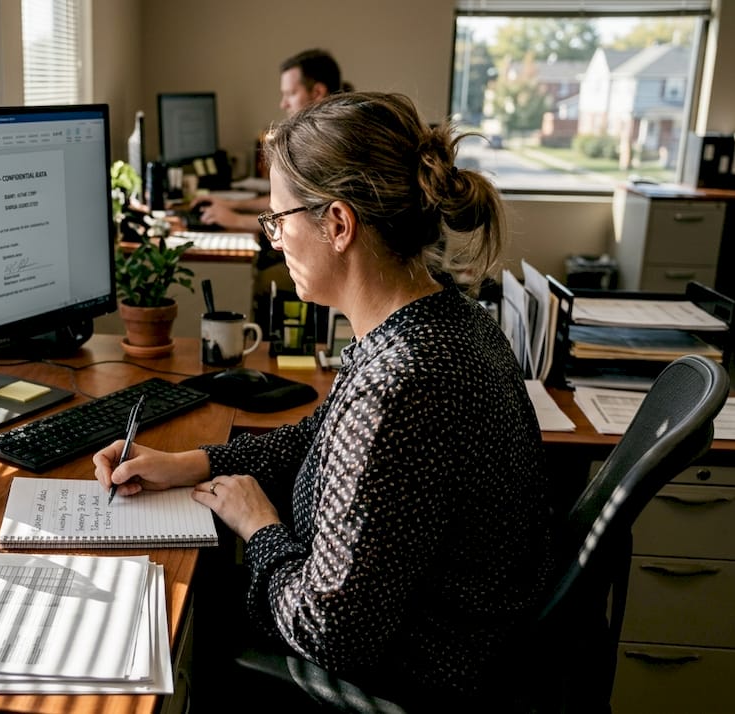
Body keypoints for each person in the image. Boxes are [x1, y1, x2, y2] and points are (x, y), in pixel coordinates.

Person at [94, 92, 552, 711]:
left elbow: (330, 631)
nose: (275, 238)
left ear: (338, 224)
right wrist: (195, 463)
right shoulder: (436, 317)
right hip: (445, 631)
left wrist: (260, 528)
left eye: (278, 219)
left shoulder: (402, 383)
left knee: (153, 622)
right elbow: (323, 431)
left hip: (414, 671)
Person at [193, 49, 352, 333]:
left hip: (329, 259)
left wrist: (237, 220)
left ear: (317, 91)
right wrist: (232, 207)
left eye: (290, 94)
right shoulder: (324, 132)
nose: (283, 103)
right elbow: (291, 202)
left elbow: (310, 217)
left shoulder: (333, 144)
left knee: (261, 276)